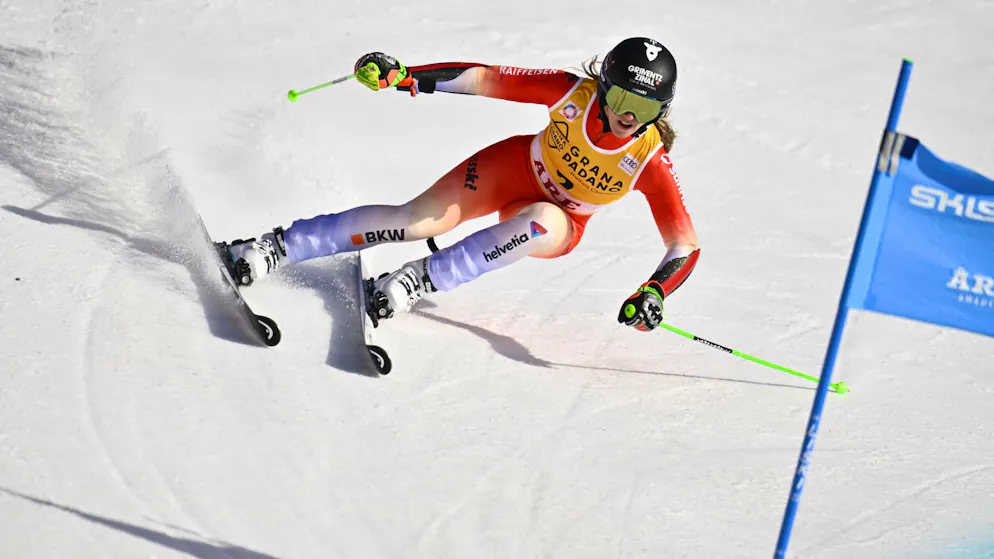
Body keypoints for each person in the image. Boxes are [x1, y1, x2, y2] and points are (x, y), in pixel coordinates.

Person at [226, 36, 700, 332]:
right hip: (512, 168)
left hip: (563, 221)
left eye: (643, 110)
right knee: (412, 221)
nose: (624, 117)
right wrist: (408, 76)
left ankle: (415, 280)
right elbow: (485, 79)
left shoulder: (648, 160)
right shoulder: (569, 92)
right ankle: (277, 247)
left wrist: (655, 290)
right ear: (602, 87)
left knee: (539, 222)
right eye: (619, 98)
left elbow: (684, 244)